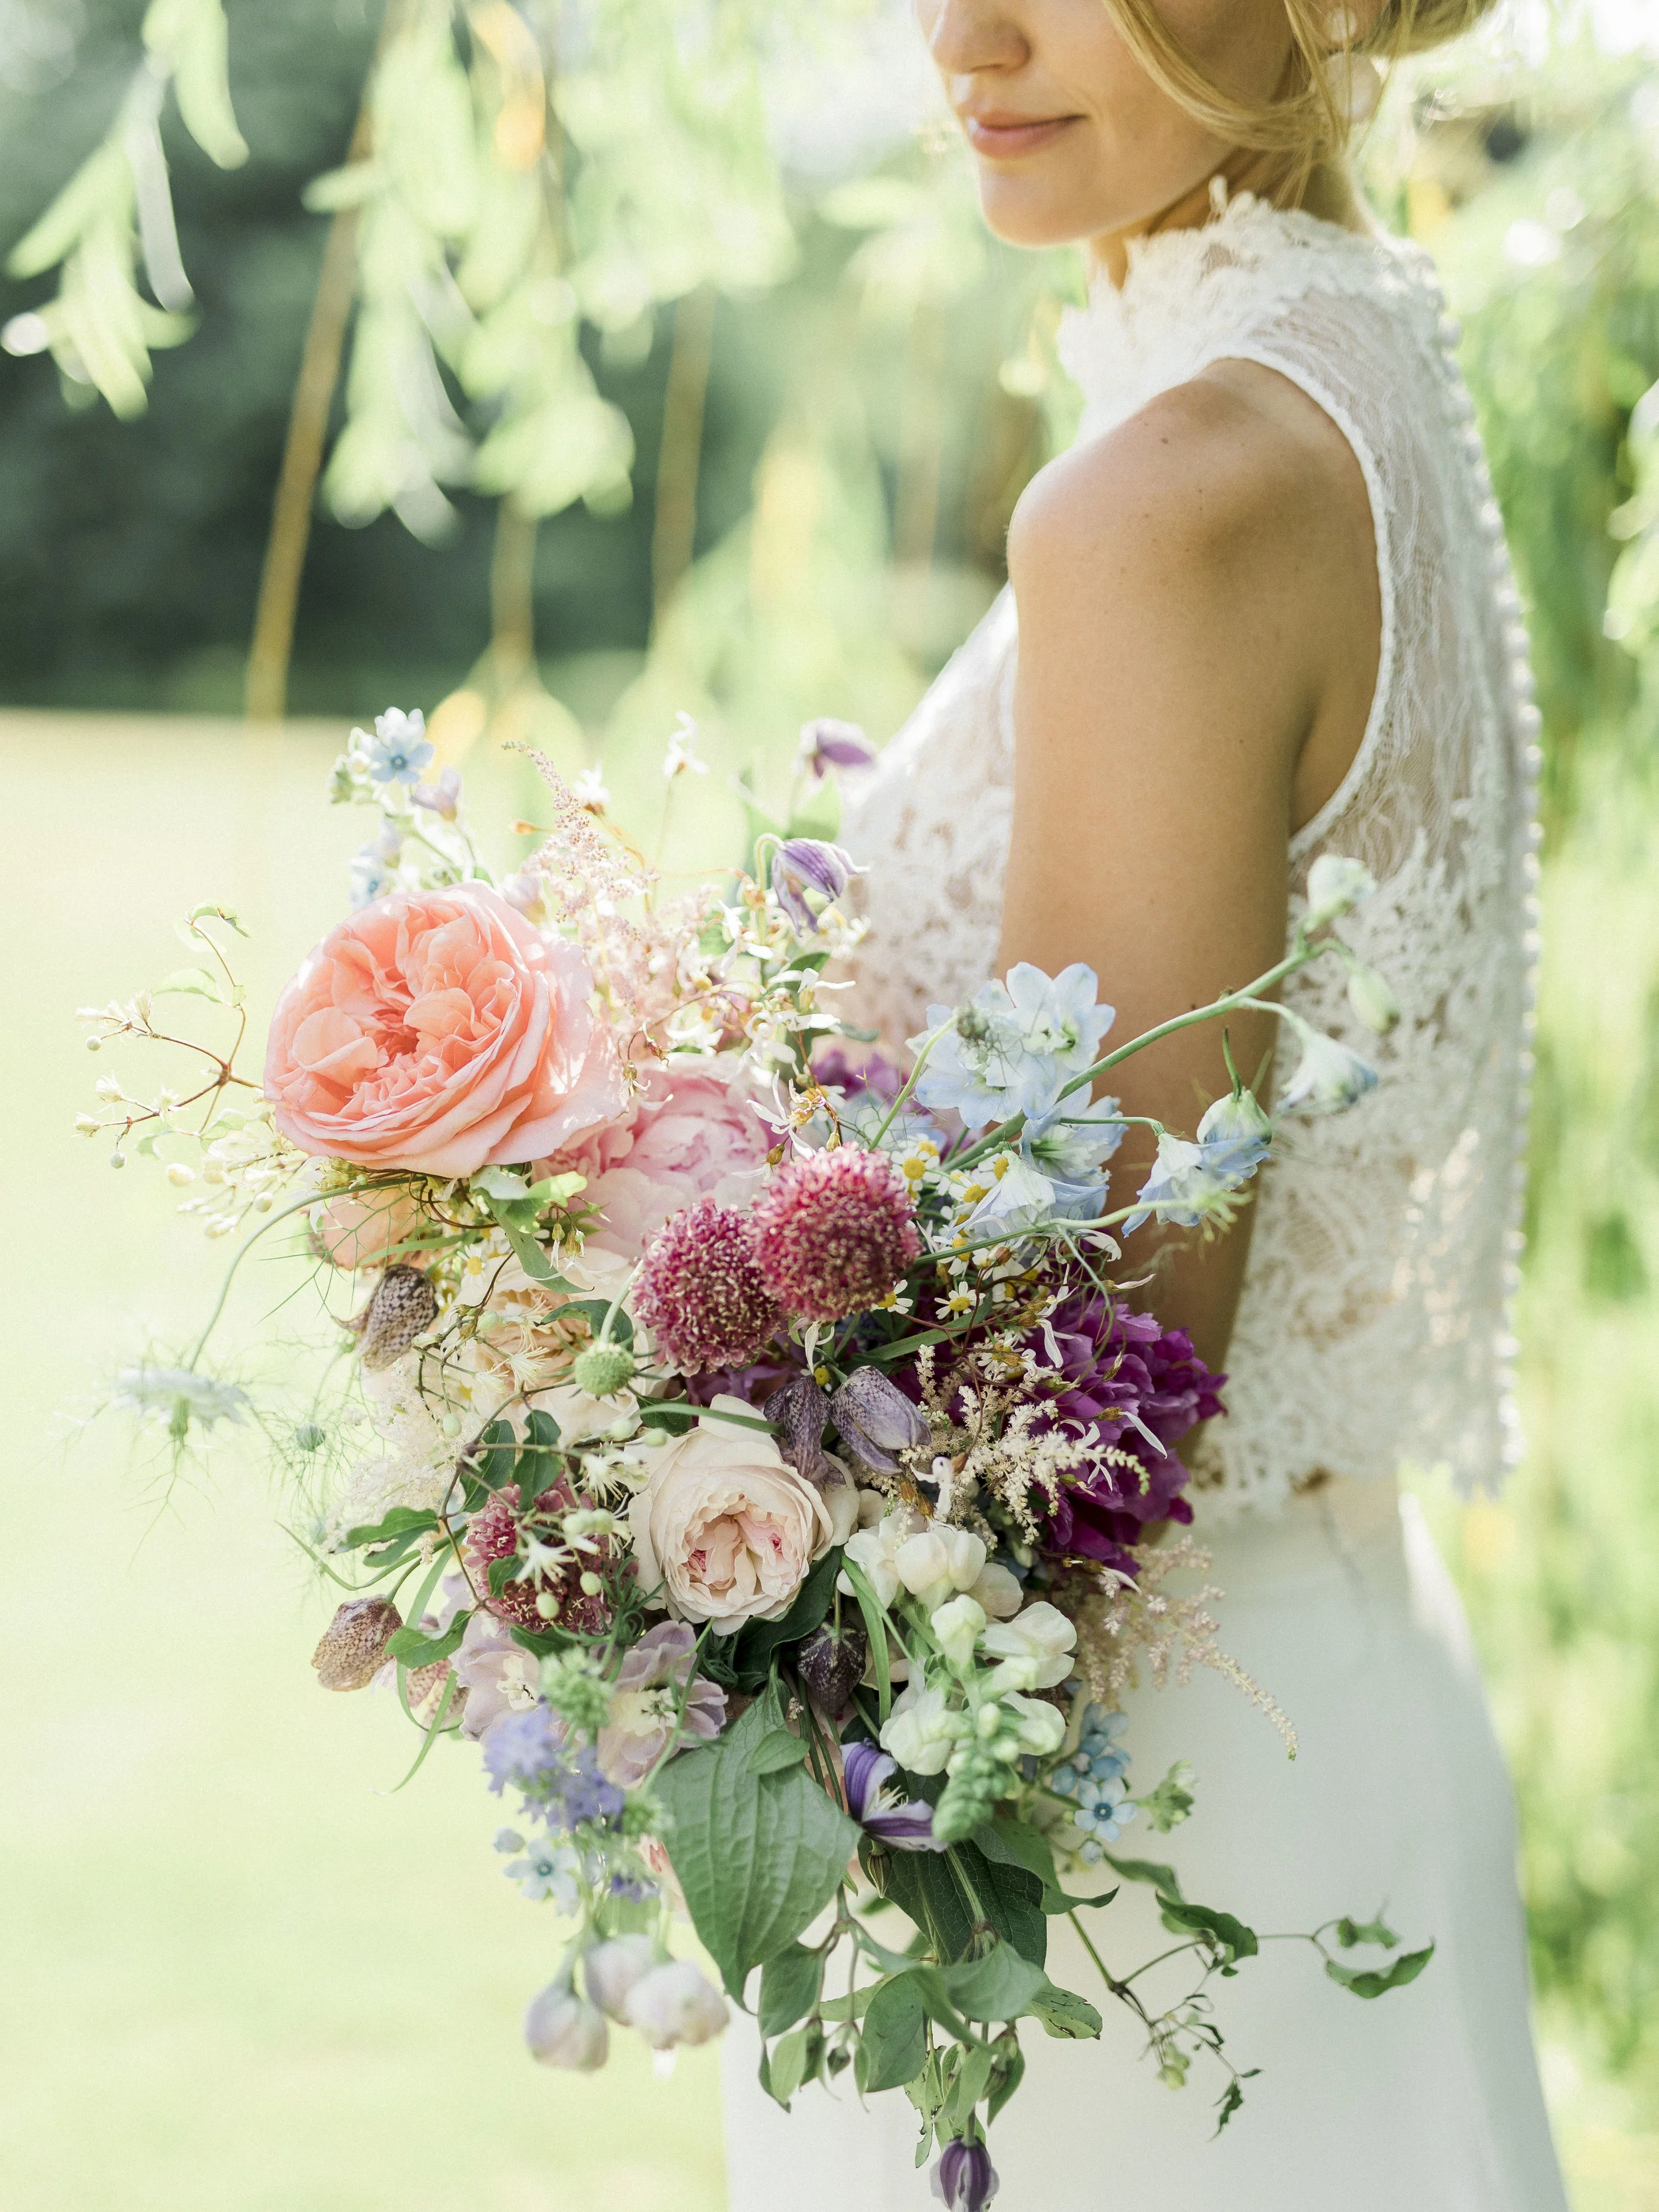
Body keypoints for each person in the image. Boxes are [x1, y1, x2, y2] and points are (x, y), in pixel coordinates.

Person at [722, 3, 1570, 2207]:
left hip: (1095, 1863)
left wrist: (633, 1352)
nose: (962, 34)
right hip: (1330, 1709)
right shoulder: (1367, 393)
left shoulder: (1172, 506)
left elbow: (1083, 1403)